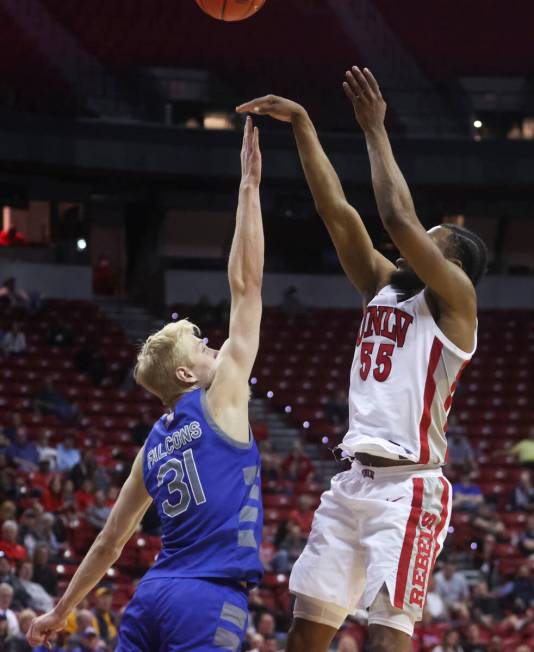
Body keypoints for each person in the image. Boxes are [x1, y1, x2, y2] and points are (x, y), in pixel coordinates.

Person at [237, 65, 487, 652]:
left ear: (449, 264)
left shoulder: (456, 304)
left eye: (433, 238)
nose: (416, 237)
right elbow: (337, 212)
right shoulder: (384, 284)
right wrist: (302, 124)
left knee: (384, 637)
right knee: (304, 633)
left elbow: (397, 218)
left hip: (409, 489)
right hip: (353, 481)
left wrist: (374, 129)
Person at [27, 117, 265, 651]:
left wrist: (61, 611)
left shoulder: (153, 446)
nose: (215, 348)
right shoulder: (222, 398)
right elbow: (246, 287)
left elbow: (112, 541)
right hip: (206, 596)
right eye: (204, 347)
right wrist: (249, 187)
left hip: (152, 596)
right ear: (186, 375)